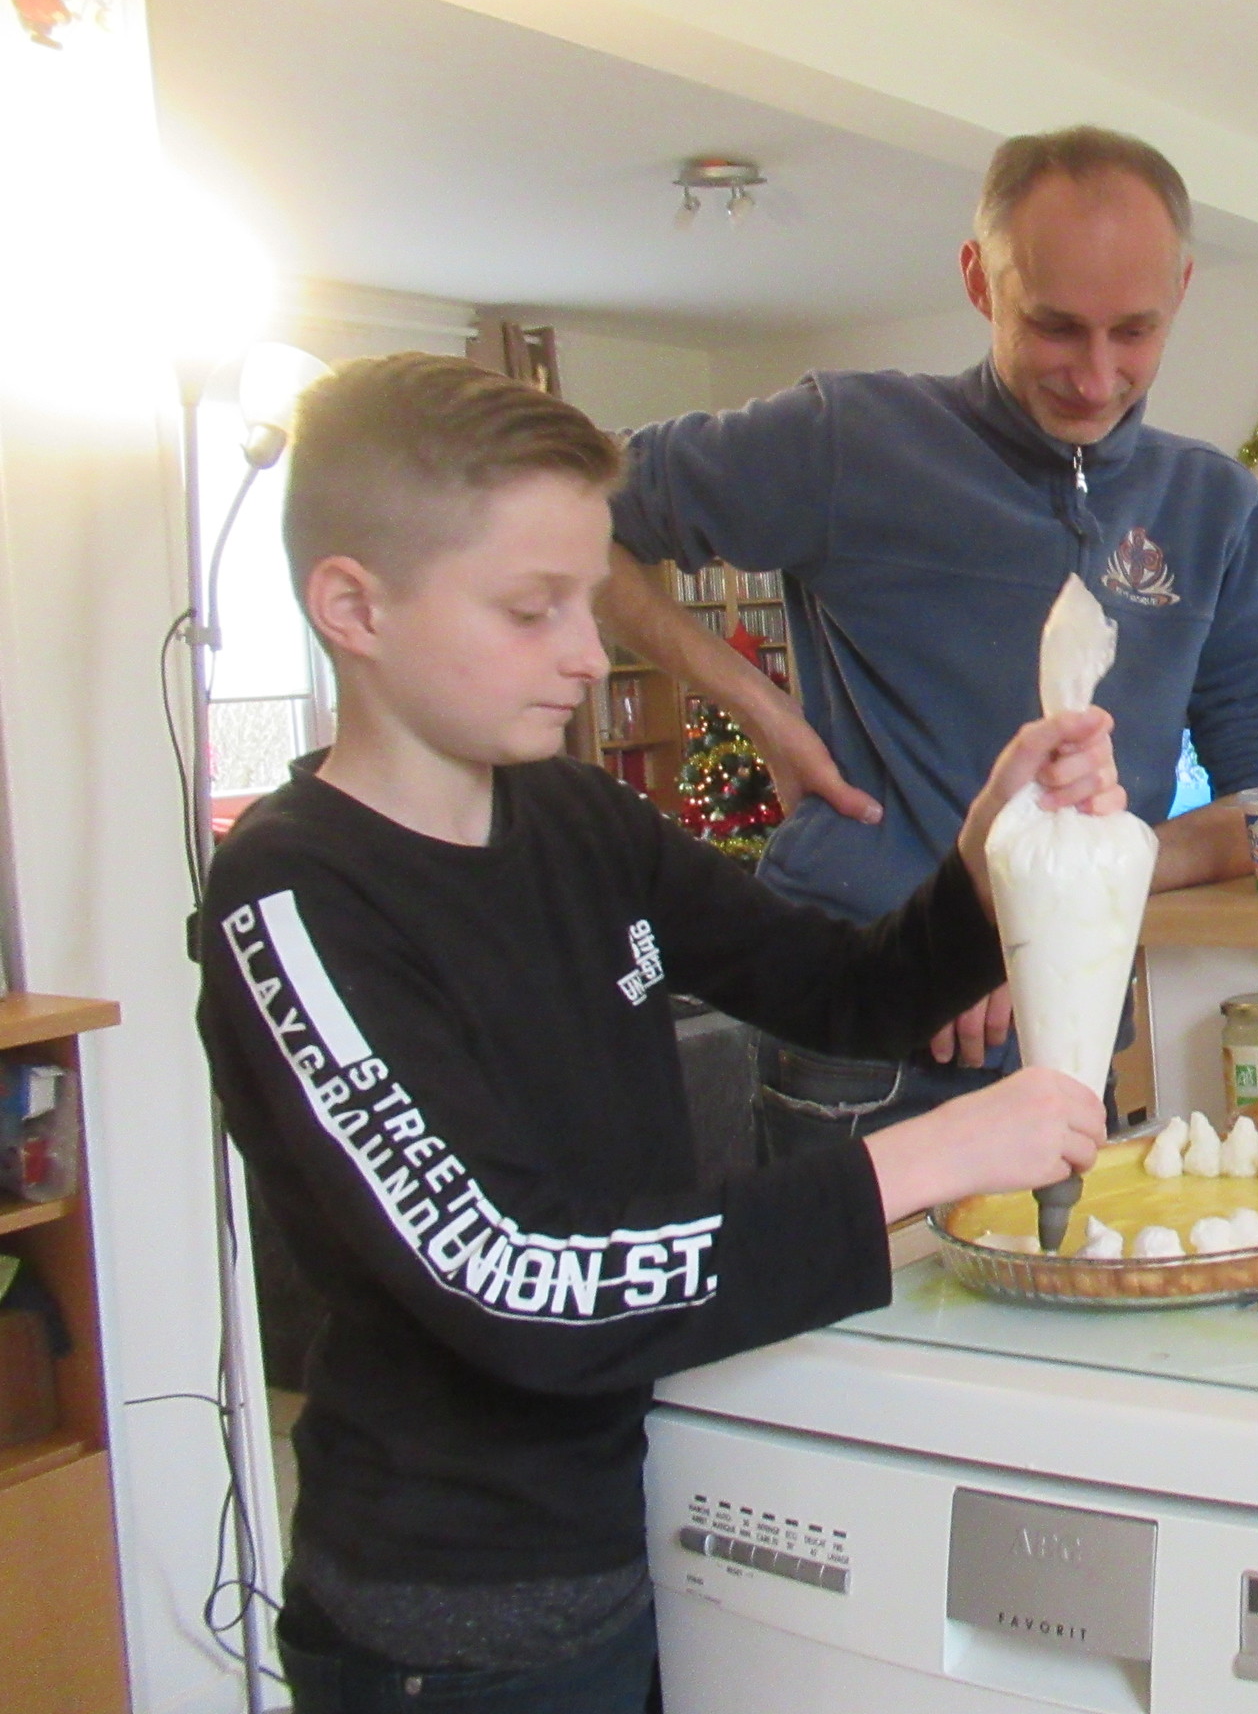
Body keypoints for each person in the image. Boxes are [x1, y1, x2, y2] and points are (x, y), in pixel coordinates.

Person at [196, 354, 1115, 1711]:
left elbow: (847, 992)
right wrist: (926, 1160)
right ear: (354, 608)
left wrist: (991, 850)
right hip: (452, 1628)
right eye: (533, 609)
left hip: (634, 1524)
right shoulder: (294, 898)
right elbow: (514, 1275)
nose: (589, 651)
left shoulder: (576, 821)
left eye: (588, 598)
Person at [603, 125, 1258, 1148]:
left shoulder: (1214, 505)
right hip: (858, 1044)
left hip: (1070, 1027)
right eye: (1055, 327)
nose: (1097, 375)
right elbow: (564, 509)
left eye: (1135, 331)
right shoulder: (847, 440)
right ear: (981, 280)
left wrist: (1038, 910)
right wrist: (761, 710)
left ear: (1182, 291)